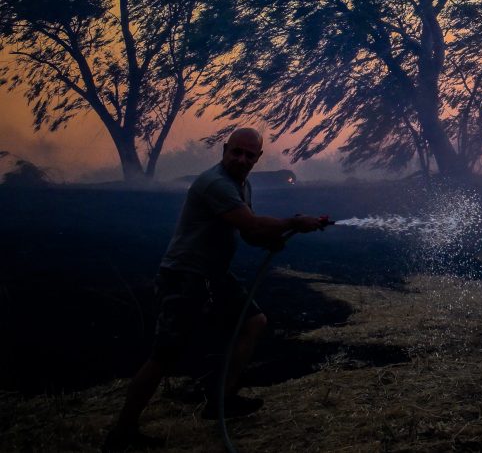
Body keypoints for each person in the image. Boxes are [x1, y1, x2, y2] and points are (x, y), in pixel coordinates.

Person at [103, 128, 329, 452]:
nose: (242, 159)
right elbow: (250, 225)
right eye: (236, 152)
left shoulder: (241, 184)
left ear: (258, 158)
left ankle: (221, 399)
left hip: (213, 274)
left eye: (250, 155)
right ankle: (121, 433)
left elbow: (248, 232)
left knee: (254, 322)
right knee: (164, 357)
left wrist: (271, 238)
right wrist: (293, 223)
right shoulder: (217, 184)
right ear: (224, 149)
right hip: (185, 275)